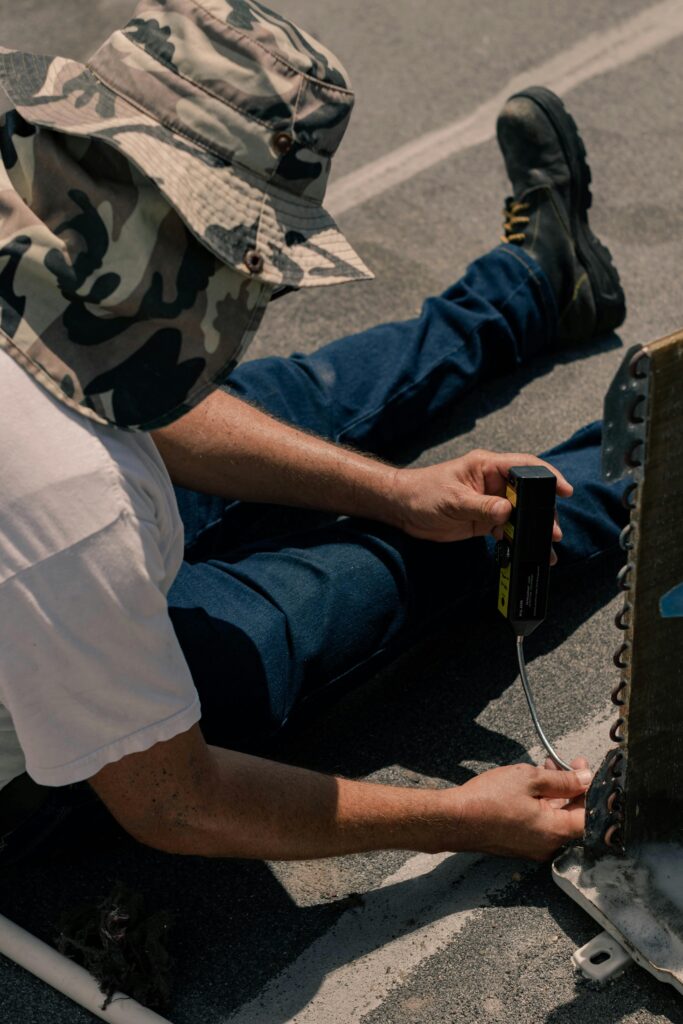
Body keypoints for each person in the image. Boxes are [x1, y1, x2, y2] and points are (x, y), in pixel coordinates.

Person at [0, 0, 627, 869]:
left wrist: (395, 490)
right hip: (68, 720)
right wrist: (464, 817)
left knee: (303, 398)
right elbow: (180, 802)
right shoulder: (70, 509)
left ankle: (537, 284)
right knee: (369, 576)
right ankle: (646, 465)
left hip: (55, 535)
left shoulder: (32, 219)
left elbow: (125, 406)